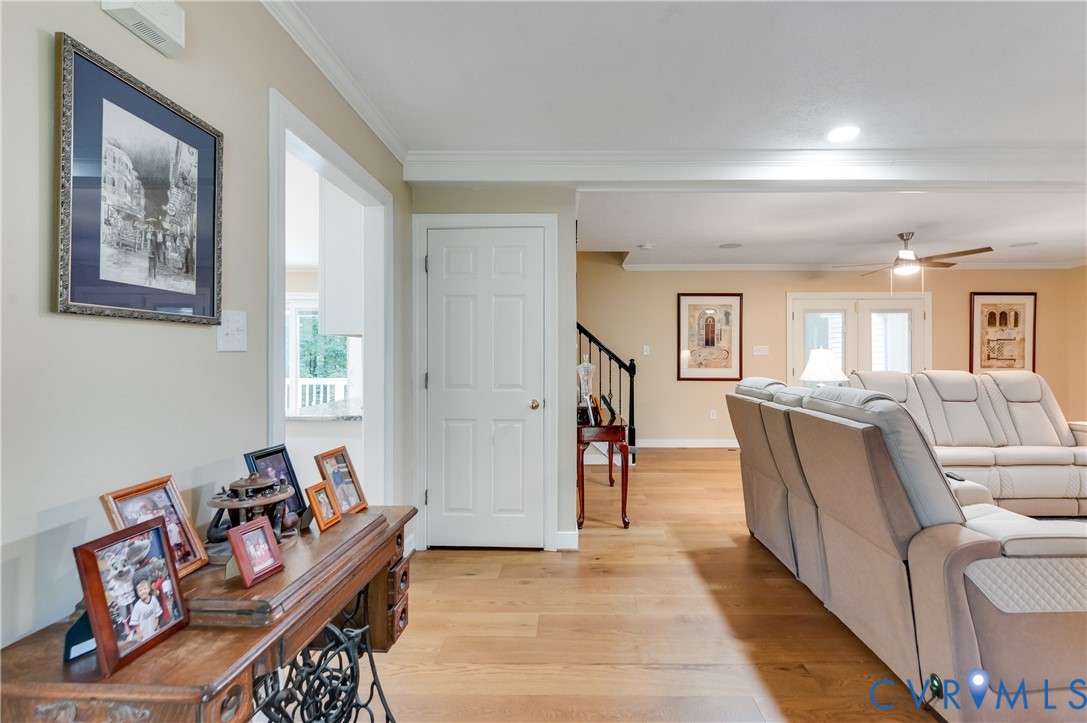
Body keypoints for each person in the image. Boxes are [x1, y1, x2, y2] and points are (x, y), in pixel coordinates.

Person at [128, 576, 162, 642]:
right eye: (140, 590)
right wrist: (139, 634)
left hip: (154, 630)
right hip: (144, 635)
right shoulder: (137, 606)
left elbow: (157, 615)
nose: (143, 591)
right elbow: (135, 623)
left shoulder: (153, 600)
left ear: (149, 589)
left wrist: (157, 626)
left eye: (145, 589)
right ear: (138, 593)